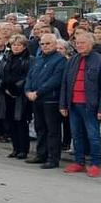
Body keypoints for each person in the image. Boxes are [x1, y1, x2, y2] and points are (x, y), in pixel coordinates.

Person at [59, 31, 101, 177]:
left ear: (91, 43)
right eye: (77, 43)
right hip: (73, 105)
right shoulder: (72, 60)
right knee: (76, 135)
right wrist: (63, 104)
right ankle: (79, 162)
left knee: (93, 136)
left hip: (91, 106)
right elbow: (65, 83)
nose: (79, 45)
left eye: (82, 43)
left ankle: (95, 164)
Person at [24, 34, 66, 169]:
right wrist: (28, 90)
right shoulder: (38, 59)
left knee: (52, 130)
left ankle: (53, 158)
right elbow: (30, 76)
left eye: (48, 44)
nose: (45, 46)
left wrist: (38, 92)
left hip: (50, 100)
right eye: (42, 44)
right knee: (40, 128)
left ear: (54, 44)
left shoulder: (60, 60)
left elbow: (55, 80)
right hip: (36, 99)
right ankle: (41, 154)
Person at [0, 34, 31, 159]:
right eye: (14, 45)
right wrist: (4, 87)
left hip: (21, 95)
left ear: (24, 46)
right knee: (10, 122)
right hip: (6, 94)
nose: (16, 47)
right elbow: (0, 74)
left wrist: (15, 88)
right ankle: (15, 148)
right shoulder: (7, 57)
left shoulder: (29, 59)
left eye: (19, 45)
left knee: (21, 123)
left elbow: (28, 77)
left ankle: (23, 149)